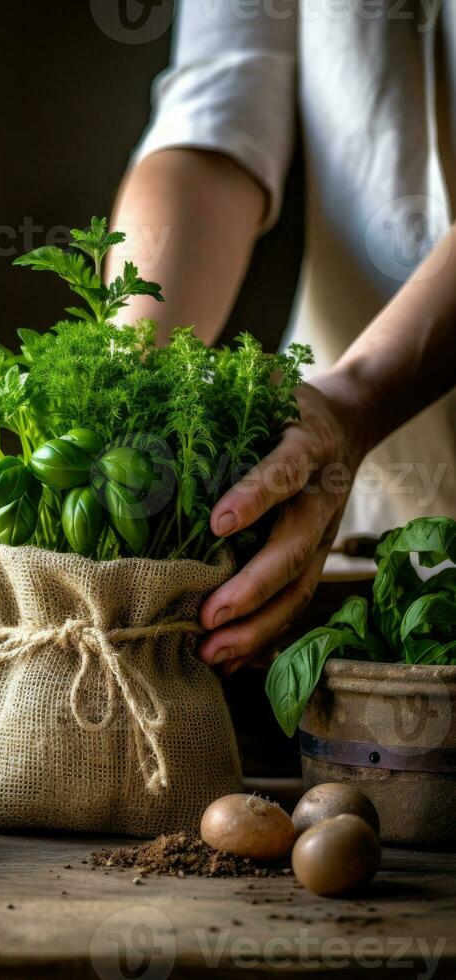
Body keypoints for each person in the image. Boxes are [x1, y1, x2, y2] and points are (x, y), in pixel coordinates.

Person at [107, 0, 456, 675]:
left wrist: (360, 395)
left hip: (353, 412)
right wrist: (130, 364)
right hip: (364, 511)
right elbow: (221, 98)